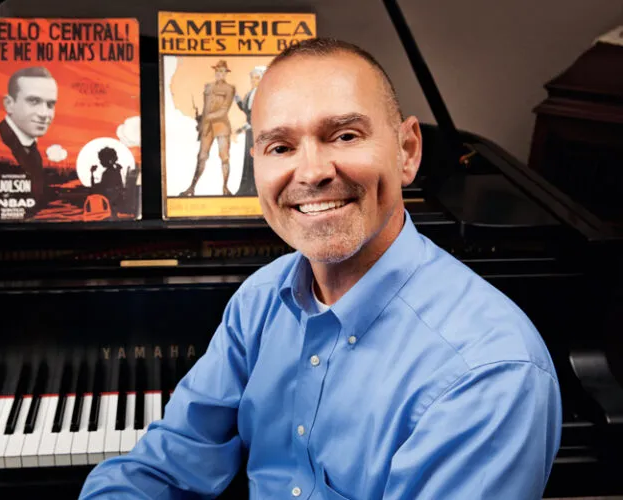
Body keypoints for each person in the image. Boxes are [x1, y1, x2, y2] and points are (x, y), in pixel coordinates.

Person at [81, 38, 562, 499]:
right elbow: (167, 463)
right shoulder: (260, 299)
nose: (310, 173)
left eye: (345, 135)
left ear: (407, 151)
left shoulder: (488, 372)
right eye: (280, 147)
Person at [0, 66, 58, 211]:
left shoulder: (32, 149)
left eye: (50, 104)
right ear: (9, 104)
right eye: (34, 101)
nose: (44, 114)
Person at [180, 60, 236, 197]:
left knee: (224, 157)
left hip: (221, 125)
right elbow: (205, 107)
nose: (219, 74)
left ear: (226, 74)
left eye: (222, 71)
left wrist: (207, 117)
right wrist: (201, 121)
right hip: (207, 127)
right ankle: (191, 188)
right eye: (218, 71)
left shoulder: (230, 89)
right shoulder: (208, 87)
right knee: (201, 157)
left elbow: (224, 110)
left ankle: (225, 188)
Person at [234, 65, 266, 197]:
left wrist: (249, 126)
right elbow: (246, 109)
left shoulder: (264, 95)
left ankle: (257, 190)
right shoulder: (250, 93)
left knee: (257, 158)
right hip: (250, 131)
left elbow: (262, 114)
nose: (254, 80)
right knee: (249, 158)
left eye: (257, 78)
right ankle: (247, 189)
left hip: (259, 131)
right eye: (252, 78)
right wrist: (236, 98)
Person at [89, 146, 124, 217]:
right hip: (114, 200)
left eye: (101, 160)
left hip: (110, 200)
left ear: (107, 160)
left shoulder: (108, 173)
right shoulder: (115, 171)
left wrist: (92, 173)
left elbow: (98, 187)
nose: (100, 162)